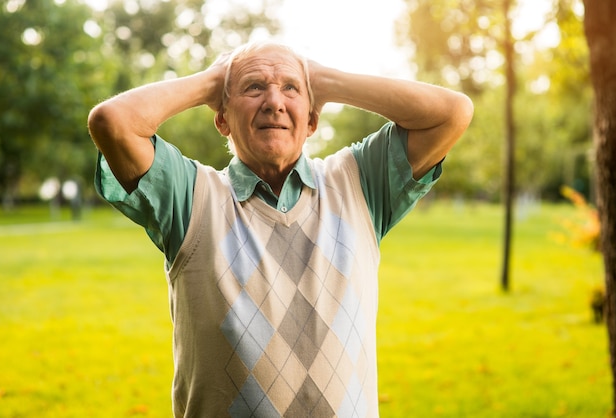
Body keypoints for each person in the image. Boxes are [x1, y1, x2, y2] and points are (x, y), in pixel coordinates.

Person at [88, 41, 473, 418]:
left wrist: (325, 80)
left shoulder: (359, 182)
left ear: (312, 120)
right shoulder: (190, 197)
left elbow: (452, 112)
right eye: (253, 87)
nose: (274, 102)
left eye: (291, 88)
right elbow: (113, 122)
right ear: (221, 118)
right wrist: (214, 80)